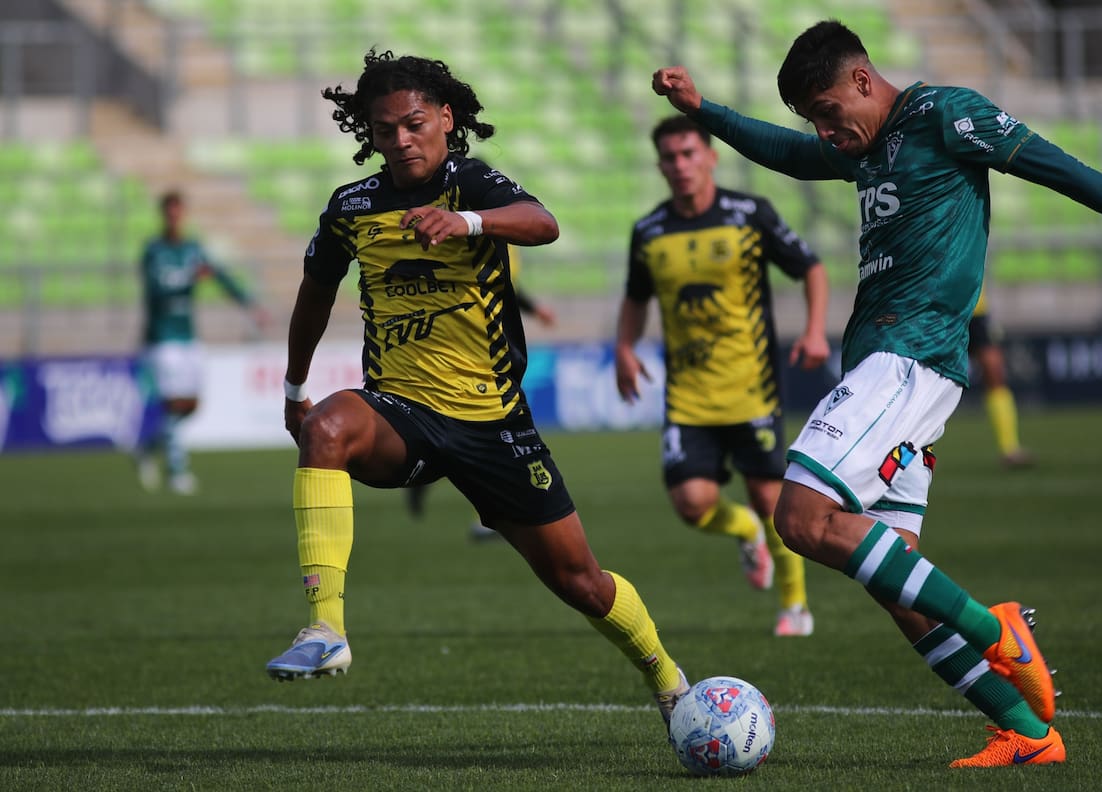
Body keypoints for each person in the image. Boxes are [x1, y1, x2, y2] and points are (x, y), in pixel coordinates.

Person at [652, 19, 1102, 767]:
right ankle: (1027, 733)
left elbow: (1059, 168)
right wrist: (704, 110)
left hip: (908, 358)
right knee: (898, 584)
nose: (824, 131)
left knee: (800, 517)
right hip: (893, 365)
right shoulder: (864, 145)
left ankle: (998, 631)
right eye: (813, 119)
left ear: (862, 81)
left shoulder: (944, 114)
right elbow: (789, 153)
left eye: (827, 111)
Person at [265, 50, 690, 729]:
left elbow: (544, 223)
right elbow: (314, 294)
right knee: (327, 428)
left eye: (413, 125)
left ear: (444, 118)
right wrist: (294, 387)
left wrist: (468, 222)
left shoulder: (469, 182)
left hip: (493, 422)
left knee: (580, 581)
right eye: (384, 130)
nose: (401, 140)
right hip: (402, 411)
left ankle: (667, 678)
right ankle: (326, 627)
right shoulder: (352, 207)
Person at [615, 114, 831, 638]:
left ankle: (795, 606)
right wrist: (624, 347)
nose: (680, 165)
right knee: (692, 504)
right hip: (688, 395)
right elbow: (636, 298)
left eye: (689, 153)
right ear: (660, 166)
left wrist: (815, 331)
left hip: (751, 386)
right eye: (670, 157)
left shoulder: (750, 214)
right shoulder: (649, 231)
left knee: (770, 499)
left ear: (710, 157)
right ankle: (745, 530)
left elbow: (810, 267)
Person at [404, 244, 556, 529]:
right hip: (468, 348)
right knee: (480, 430)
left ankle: (490, 505)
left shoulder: (507, 244)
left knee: (482, 431)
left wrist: (535, 309)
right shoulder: (478, 234)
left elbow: (506, 287)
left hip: (492, 348)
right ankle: (497, 507)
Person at [136, 190, 267, 495]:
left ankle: (147, 448)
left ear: (183, 215)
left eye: (178, 212)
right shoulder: (153, 250)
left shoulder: (193, 248)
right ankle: (177, 472)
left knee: (191, 405)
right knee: (172, 404)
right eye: (169, 212)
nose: (174, 217)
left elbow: (220, 277)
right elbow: (155, 290)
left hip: (187, 336)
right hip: (161, 338)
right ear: (163, 215)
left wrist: (249, 304)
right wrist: (188, 278)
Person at [968, 286, 1033, 467]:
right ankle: (916, 451)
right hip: (942, 308)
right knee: (929, 377)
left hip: (976, 310)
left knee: (994, 372)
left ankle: (1010, 449)